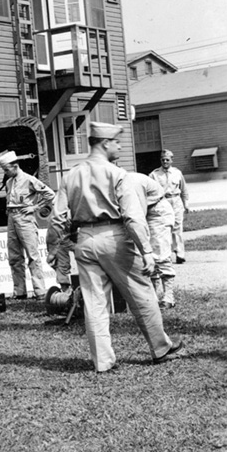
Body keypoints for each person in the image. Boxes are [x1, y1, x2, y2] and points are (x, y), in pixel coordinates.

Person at [49, 122, 183, 373]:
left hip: (84, 240)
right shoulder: (117, 174)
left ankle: (103, 362)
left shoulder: (71, 174)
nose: (120, 146)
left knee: (94, 303)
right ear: (104, 143)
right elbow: (133, 217)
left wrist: (52, 248)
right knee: (142, 294)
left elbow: (57, 218)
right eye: (117, 142)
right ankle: (161, 349)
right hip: (114, 236)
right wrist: (146, 251)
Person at [0, 150, 55, 300]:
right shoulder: (9, 182)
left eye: (7, 169)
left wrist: (34, 207)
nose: (6, 173)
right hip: (12, 217)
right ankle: (19, 291)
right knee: (15, 257)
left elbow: (50, 195)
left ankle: (40, 291)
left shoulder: (29, 180)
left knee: (33, 255)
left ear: (15, 166)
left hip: (25, 219)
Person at [124, 171, 177, 308]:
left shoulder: (131, 181)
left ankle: (169, 296)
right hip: (145, 214)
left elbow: (138, 211)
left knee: (160, 254)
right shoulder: (115, 183)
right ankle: (152, 295)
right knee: (146, 255)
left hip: (157, 212)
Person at [149, 150, 190, 264]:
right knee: (165, 228)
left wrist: (186, 203)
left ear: (172, 160)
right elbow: (150, 190)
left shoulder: (177, 173)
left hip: (176, 201)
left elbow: (184, 189)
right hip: (163, 201)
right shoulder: (154, 174)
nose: (165, 162)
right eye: (163, 160)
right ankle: (166, 255)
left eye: (167, 159)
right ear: (160, 160)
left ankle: (180, 254)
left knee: (178, 227)